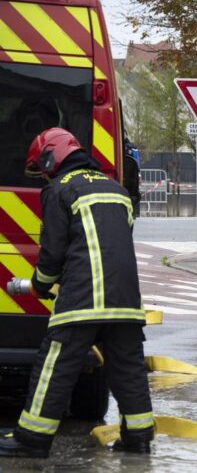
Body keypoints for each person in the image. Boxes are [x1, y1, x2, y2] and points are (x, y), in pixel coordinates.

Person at [0, 128, 153, 458]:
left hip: (83, 299)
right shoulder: (116, 190)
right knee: (128, 368)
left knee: (54, 367)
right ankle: (138, 438)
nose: (44, 176)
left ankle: (31, 440)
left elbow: (52, 256)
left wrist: (39, 286)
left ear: (51, 158)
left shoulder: (60, 190)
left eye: (43, 169)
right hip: (127, 301)